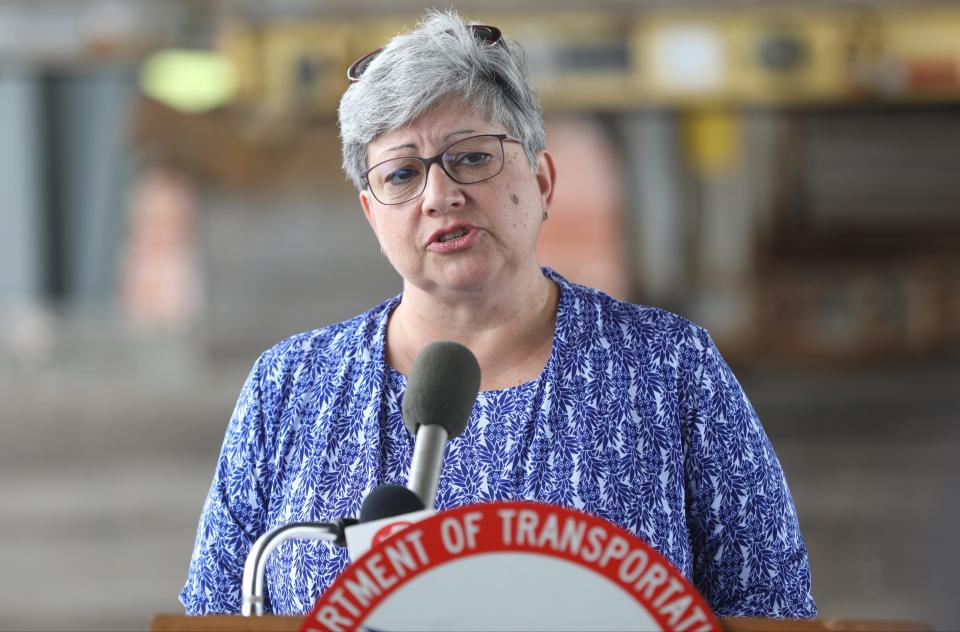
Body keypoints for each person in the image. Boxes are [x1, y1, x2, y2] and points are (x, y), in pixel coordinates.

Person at [181, 9, 816, 619]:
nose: (440, 196)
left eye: (473, 157)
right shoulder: (289, 387)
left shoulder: (670, 368)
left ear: (541, 182)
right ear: (373, 216)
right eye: (401, 174)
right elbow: (213, 613)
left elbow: (774, 608)